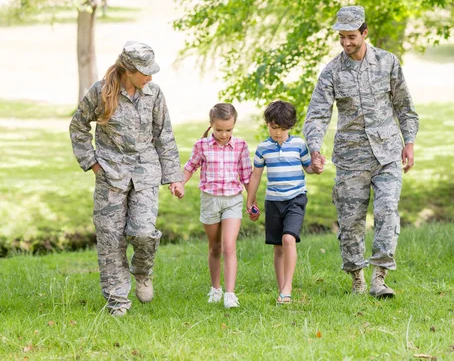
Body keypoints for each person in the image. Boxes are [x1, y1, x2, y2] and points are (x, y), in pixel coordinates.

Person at [302, 6, 419, 298]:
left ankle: (380, 278)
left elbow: (404, 107)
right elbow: (317, 114)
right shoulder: (331, 72)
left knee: (387, 211)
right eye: (341, 37)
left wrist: (409, 142)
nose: (346, 43)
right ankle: (357, 279)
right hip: (351, 159)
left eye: (351, 36)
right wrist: (314, 147)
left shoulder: (388, 62)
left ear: (365, 33)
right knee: (350, 221)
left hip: (388, 153)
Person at [69, 41, 185, 316]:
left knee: (144, 232)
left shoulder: (154, 93)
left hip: (146, 172)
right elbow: (78, 126)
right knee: (111, 240)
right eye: (145, 72)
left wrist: (174, 178)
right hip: (111, 175)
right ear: (129, 70)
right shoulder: (101, 92)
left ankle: (143, 272)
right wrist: (93, 164)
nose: (150, 77)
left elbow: (164, 135)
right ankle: (117, 302)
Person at [246, 101, 320, 305]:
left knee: (289, 239)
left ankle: (288, 288)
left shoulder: (299, 145)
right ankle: (282, 291)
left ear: (290, 127)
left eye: (283, 128)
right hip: (273, 201)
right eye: (274, 127)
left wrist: (316, 166)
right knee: (277, 247)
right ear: (268, 124)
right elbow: (256, 176)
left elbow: (309, 168)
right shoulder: (263, 148)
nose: (278, 132)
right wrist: (250, 201)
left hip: (296, 198)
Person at [180, 103, 252, 309]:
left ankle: (230, 294)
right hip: (210, 200)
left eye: (228, 130)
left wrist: (251, 200)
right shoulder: (202, 146)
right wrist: (179, 184)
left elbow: (246, 176)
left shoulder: (240, 146)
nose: (223, 134)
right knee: (215, 247)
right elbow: (190, 167)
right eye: (219, 129)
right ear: (211, 125)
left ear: (234, 126)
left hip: (232, 200)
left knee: (229, 246)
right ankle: (216, 288)